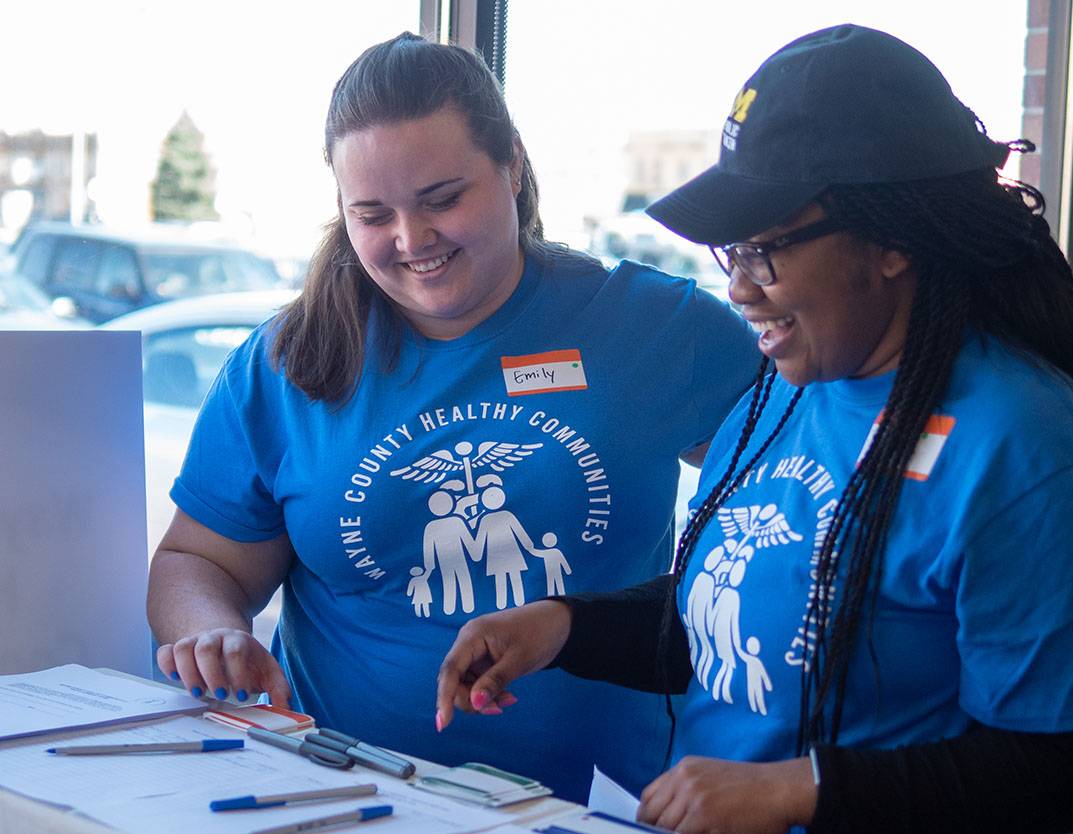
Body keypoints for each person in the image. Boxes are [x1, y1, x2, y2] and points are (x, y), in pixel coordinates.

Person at [436, 24, 1073, 834]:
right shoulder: (785, 392)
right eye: (729, 250)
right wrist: (565, 625)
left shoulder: (1028, 453)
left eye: (765, 249)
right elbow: (749, 611)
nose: (739, 288)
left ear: (889, 240)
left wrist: (801, 789)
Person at [145, 32, 760, 802]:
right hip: (353, 799)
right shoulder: (287, 361)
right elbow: (197, 563)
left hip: (601, 804)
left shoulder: (661, 328)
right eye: (373, 214)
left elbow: (801, 507)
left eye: (442, 199)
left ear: (512, 163)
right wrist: (213, 631)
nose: (412, 240)